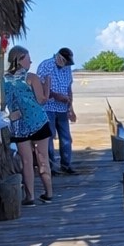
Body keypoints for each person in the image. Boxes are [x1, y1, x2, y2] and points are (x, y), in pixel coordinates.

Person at [4, 45, 53, 203]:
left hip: (19, 126)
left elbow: (6, 101)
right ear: (20, 59)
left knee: (26, 161)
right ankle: (49, 193)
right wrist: (47, 87)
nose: (31, 61)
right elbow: (41, 100)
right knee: (43, 159)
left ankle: (30, 196)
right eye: (28, 58)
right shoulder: (31, 77)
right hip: (37, 121)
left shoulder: (4, 78)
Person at [37, 46, 79, 175]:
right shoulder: (45, 65)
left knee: (66, 137)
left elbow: (68, 88)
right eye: (65, 62)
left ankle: (66, 164)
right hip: (48, 108)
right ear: (59, 58)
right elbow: (39, 88)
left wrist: (71, 108)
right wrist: (55, 96)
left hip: (62, 109)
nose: (66, 65)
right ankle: (51, 166)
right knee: (49, 138)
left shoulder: (67, 69)